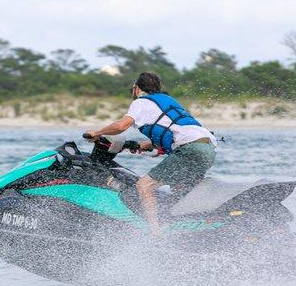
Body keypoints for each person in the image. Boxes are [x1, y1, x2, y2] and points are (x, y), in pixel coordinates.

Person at [85, 72, 217, 236]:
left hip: (189, 149)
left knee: (144, 186)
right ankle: (185, 226)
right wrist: (145, 146)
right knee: (178, 190)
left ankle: (155, 233)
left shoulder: (141, 102)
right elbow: (176, 129)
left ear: (137, 89)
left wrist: (96, 133)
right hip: (208, 149)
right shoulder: (169, 101)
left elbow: (120, 126)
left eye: (132, 89)